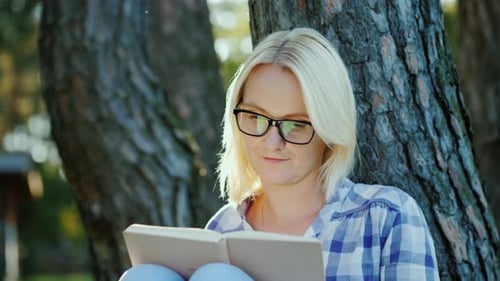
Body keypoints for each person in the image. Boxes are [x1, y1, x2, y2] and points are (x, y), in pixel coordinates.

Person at [120, 27, 439, 280]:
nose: (272, 142)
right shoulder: (223, 230)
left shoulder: (386, 217)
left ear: (329, 130)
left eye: (295, 124)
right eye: (256, 118)